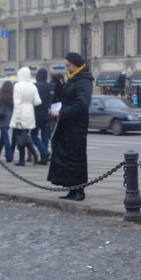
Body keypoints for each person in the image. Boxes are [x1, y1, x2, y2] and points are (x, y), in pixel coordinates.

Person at [48, 52, 93, 201]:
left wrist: (62, 114)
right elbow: (66, 98)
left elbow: (81, 104)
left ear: (76, 65)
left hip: (76, 127)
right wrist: (59, 86)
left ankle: (79, 190)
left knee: (76, 160)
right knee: (66, 158)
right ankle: (71, 189)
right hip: (67, 126)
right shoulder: (73, 79)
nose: (66, 68)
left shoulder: (84, 81)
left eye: (68, 65)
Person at [9, 67, 41, 166]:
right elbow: (37, 101)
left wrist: (16, 118)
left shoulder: (18, 86)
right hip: (30, 112)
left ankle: (21, 159)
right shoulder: (33, 86)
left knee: (20, 138)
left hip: (21, 112)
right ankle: (35, 154)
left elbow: (17, 103)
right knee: (27, 137)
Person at [32, 68, 54, 165]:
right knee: (45, 136)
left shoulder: (35, 86)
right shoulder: (50, 86)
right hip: (46, 113)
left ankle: (44, 152)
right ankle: (44, 157)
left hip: (36, 114)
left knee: (33, 135)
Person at [0, 80, 14, 162]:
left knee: (5, 137)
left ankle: (9, 156)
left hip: (2, 118)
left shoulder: (0, 95)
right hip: (10, 118)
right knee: (3, 136)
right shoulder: (12, 95)